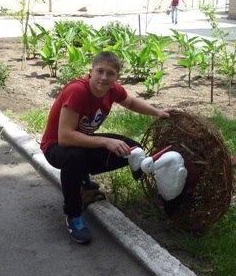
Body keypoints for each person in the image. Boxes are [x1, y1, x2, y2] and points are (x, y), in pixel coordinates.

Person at [40, 51, 171, 244]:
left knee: (133, 150)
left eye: (110, 73)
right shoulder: (78, 91)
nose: (104, 77)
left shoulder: (113, 90)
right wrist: (104, 142)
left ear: (116, 77)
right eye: (100, 71)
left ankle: (81, 177)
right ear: (90, 71)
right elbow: (65, 137)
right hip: (56, 147)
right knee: (75, 157)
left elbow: (132, 102)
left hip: (80, 142)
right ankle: (73, 214)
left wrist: (157, 112)